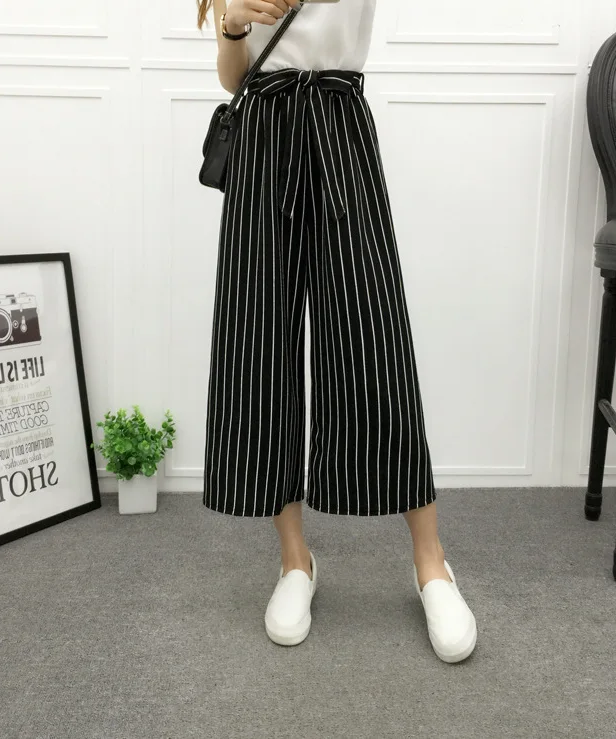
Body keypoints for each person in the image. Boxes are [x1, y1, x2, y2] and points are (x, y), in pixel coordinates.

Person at [197, 0, 477, 664]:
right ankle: (295, 559)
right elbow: (235, 78)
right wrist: (233, 22)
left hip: (338, 123)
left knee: (375, 336)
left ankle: (431, 561)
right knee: (260, 340)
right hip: (263, 137)